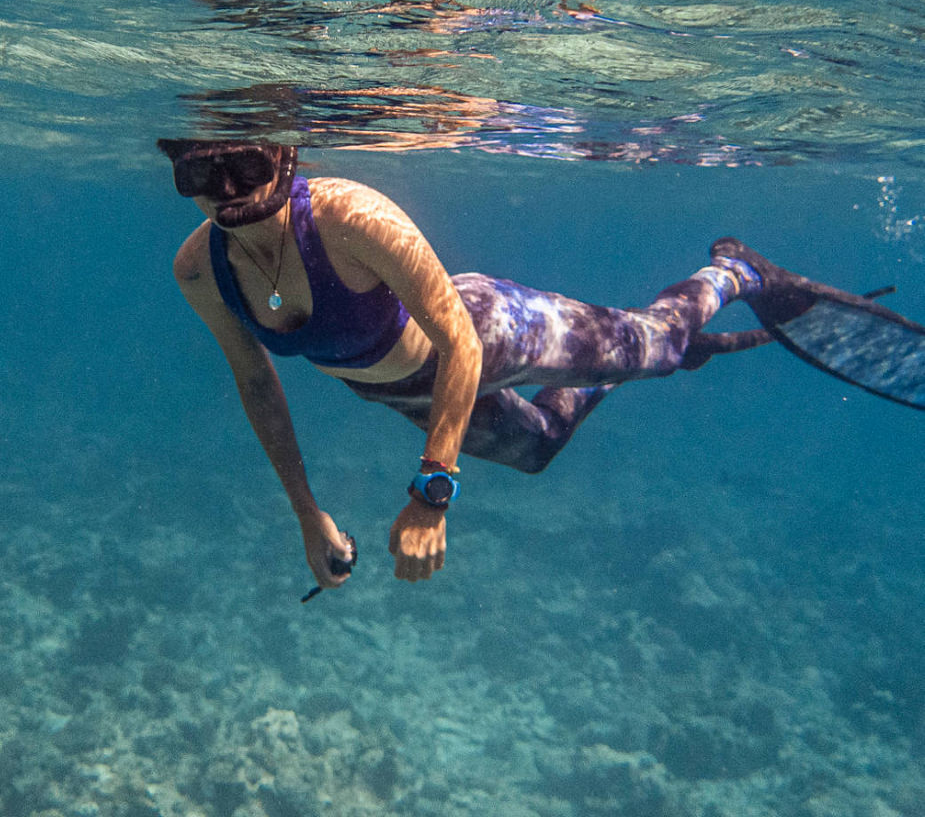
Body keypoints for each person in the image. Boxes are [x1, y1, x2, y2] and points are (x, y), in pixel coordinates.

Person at [158, 139, 925, 593]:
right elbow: (255, 379)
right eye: (199, 176)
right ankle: (664, 357)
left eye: (246, 165)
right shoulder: (199, 270)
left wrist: (433, 490)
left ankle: (733, 274)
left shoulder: (351, 217)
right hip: (400, 394)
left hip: (493, 335)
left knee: (651, 346)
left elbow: (459, 342)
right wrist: (305, 512)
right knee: (538, 451)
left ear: (286, 157)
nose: (228, 195)